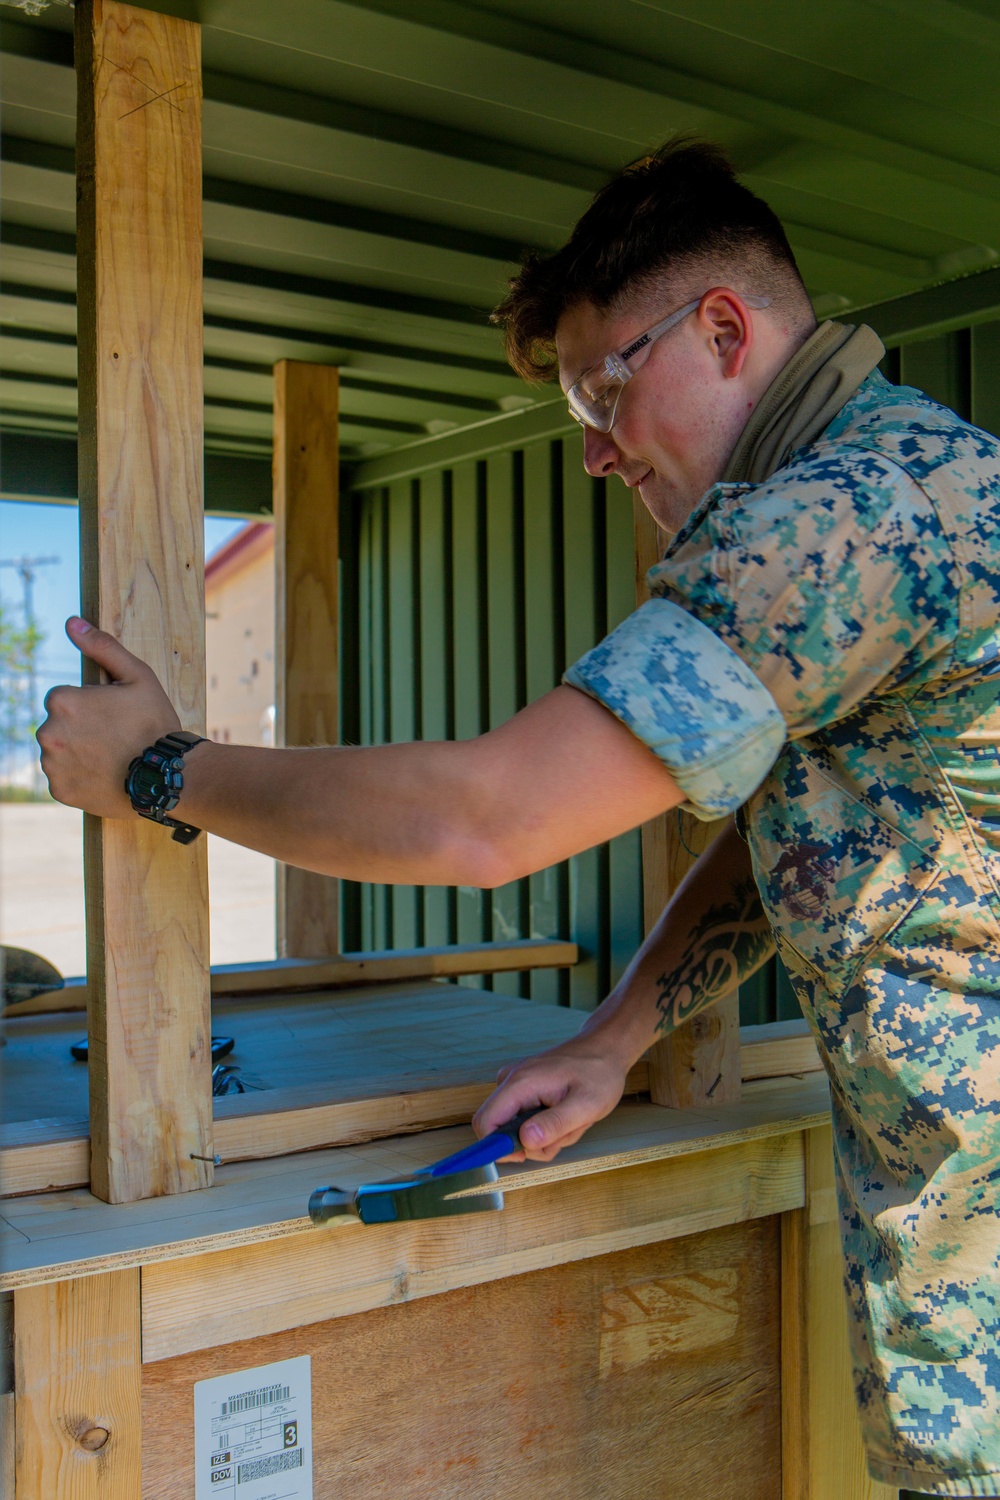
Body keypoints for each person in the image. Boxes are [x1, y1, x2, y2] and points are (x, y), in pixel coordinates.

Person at [39, 139, 999, 1497]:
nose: (601, 455)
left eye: (608, 391)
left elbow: (482, 824)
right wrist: (619, 1037)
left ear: (725, 330)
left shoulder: (831, 523)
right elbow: (807, 816)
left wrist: (160, 769)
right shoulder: (911, 476)